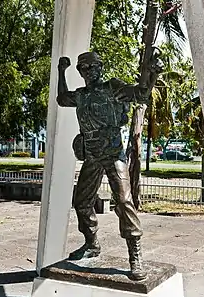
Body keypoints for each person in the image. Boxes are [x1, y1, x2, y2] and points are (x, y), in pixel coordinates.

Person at [57, 51, 149, 280]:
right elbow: (61, 99)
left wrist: (152, 75)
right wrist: (61, 72)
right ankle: (91, 243)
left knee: (124, 201)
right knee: (81, 202)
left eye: (92, 67)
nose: (88, 72)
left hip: (113, 153)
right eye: (83, 69)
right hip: (92, 155)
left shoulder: (112, 87)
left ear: (101, 67)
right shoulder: (81, 95)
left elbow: (141, 93)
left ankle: (135, 255)